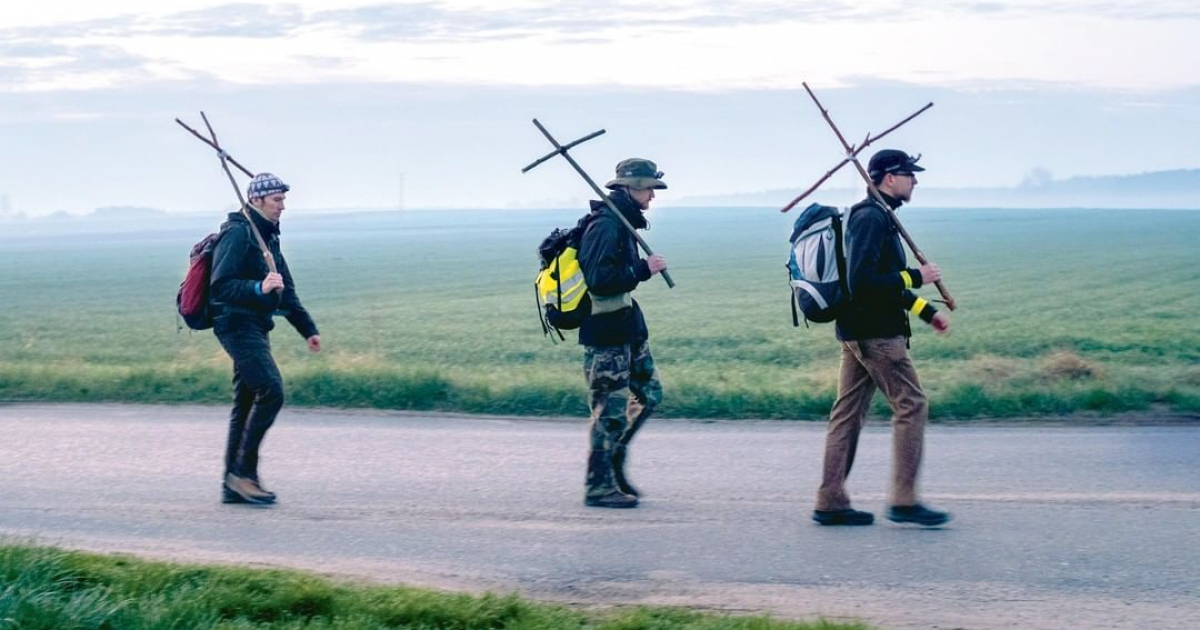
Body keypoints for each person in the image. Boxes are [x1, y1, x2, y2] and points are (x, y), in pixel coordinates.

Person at [812, 149, 952, 527]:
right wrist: (917, 276)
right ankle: (904, 501)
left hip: (859, 333)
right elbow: (864, 283)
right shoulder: (871, 218)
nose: (915, 181)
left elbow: (889, 284)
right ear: (889, 178)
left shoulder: (877, 215)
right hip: (877, 336)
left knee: (848, 415)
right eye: (909, 174)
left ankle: (830, 501)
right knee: (912, 405)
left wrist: (927, 312)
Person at [209, 172, 320, 505]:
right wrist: (258, 287)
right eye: (277, 200)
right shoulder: (237, 234)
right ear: (256, 200)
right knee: (271, 391)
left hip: (256, 325)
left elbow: (286, 287)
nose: (282, 206)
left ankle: (233, 484)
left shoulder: (268, 236)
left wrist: (308, 329)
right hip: (235, 324)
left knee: (246, 402)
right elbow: (221, 286)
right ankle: (243, 475)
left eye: (283, 199)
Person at [576, 158, 669, 509]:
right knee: (610, 412)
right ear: (631, 188)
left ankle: (614, 460)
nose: (652, 196)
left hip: (626, 328)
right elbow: (599, 280)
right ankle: (599, 486)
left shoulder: (622, 221)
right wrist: (644, 269)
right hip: (606, 336)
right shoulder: (605, 225)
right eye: (648, 189)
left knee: (650, 394)